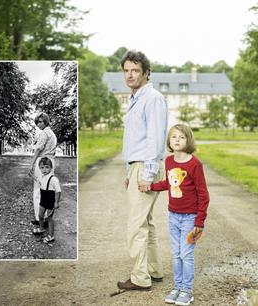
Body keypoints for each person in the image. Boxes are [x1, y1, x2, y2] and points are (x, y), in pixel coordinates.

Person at [117, 50, 168, 291]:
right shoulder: (136, 98)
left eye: (135, 70)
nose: (130, 74)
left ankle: (140, 278)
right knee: (145, 222)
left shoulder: (152, 98)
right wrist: (129, 172)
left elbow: (155, 140)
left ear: (146, 73)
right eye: (126, 70)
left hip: (145, 167)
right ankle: (154, 271)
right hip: (136, 167)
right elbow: (134, 140)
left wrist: (146, 174)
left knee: (135, 226)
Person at [142, 124, 210, 305]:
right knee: (175, 253)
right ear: (169, 141)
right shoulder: (169, 161)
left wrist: (199, 221)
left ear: (188, 140)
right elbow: (169, 183)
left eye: (181, 137)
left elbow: (203, 194)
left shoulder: (195, 164)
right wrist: (150, 186)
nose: (177, 140)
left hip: (190, 218)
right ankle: (177, 287)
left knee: (185, 254)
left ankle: (187, 290)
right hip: (173, 215)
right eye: (174, 137)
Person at [29, 112, 57, 225]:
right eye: (37, 122)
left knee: (38, 191)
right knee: (47, 190)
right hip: (50, 162)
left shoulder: (45, 133)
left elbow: (38, 149)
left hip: (43, 162)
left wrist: (32, 163)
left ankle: (39, 218)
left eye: (40, 122)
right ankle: (45, 217)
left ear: (46, 121)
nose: (38, 124)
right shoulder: (52, 133)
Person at [30, 157, 61, 243]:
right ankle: (41, 228)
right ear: (39, 168)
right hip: (43, 200)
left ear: (51, 168)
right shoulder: (42, 177)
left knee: (49, 218)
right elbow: (37, 180)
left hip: (50, 200)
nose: (44, 170)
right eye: (42, 167)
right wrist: (31, 175)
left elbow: (58, 191)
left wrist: (56, 202)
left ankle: (51, 236)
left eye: (47, 167)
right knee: (40, 216)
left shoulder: (54, 179)